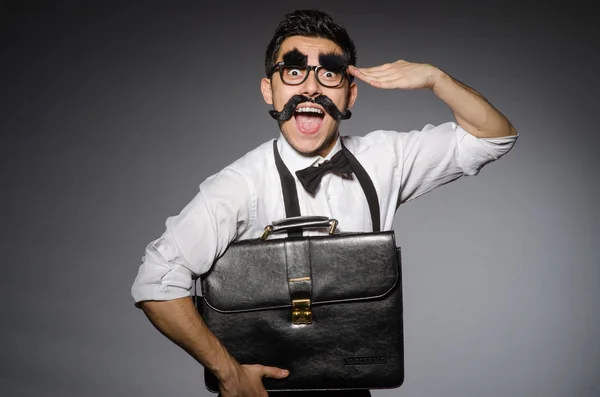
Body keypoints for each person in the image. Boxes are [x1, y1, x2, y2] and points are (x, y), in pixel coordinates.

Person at [130, 8, 518, 397]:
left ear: (351, 92)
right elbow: (157, 281)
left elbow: (494, 137)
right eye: (294, 72)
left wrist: (437, 79)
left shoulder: (385, 158)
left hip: (353, 386)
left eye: (329, 73)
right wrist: (228, 372)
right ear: (269, 89)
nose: (311, 89)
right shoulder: (239, 185)